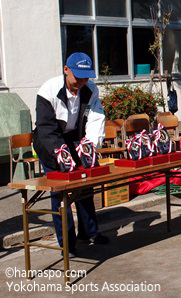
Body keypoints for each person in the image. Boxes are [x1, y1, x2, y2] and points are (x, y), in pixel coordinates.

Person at [33, 52, 109, 257]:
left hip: (75, 141)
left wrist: (90, 146)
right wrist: (61, 153)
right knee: (60, 192)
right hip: (50, 143)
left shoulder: (90, 90)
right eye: (78, 77)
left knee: (85, 185)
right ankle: (66, 242)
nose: (81, 82)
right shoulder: (48, 91)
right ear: (66, 70)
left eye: (86, 78)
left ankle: (90, 232)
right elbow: (46, 128)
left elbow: (96, 118)